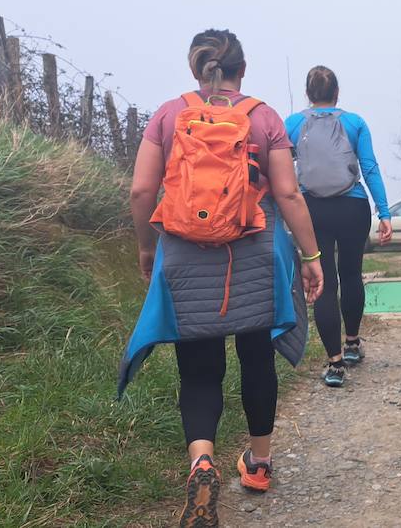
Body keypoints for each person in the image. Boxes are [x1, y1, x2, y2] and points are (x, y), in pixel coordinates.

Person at [117, 29, 324, 527]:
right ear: (242, 70)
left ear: (196, 69)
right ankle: (258, 463)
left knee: (200, 368)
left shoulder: (169, 115)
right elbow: (289, 195)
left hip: (186, 255)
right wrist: (311, 255)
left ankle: (202, 460)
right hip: (256, 255)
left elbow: (142, 190)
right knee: (256, 359)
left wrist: (149, 248)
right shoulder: (265, 116)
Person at [285, 65, 393, 388]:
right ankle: (352, 344)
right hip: (352, 206)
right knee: (350, 274)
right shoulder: (355, 122)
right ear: (336, 94)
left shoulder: (291, 124)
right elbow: (369, 167)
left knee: (324, 284)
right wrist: (384, 211)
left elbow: (279, 172)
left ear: (308, 94)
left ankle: (334, 365)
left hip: (311, 209)